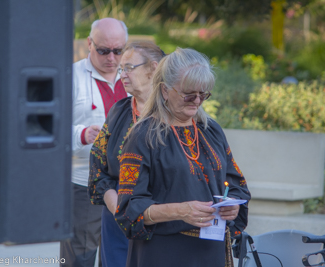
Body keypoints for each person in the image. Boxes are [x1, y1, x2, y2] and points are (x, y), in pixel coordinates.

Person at [115, 47, 251, 267]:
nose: (197, 101)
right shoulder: (143, 136)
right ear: (165, 91)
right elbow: (129, 208)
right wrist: (180, 211)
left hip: (210, 253)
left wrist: (232, 205)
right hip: (163, 254)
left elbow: (236, 183)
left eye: (203, 94)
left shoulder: (211, 131)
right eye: (189, 94)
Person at [88, 41, 165, 267]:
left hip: (159, 224)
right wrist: (120, 211)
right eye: (121, 69)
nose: (122, 74)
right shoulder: (119, 111)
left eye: (129, 67)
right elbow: (97, 167)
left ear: (153, 68)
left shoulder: (174, 116)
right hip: (115, 221)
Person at [62, 18, 128, 267]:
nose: (111, 58)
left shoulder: (133, 75)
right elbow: (50, 128)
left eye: (118, 51)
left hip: (128, 182)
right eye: (103, 50)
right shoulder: (71, 76)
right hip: (83, 184)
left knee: (119, 254)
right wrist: (81, 134)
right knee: (80, 254)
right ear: (89, 43)